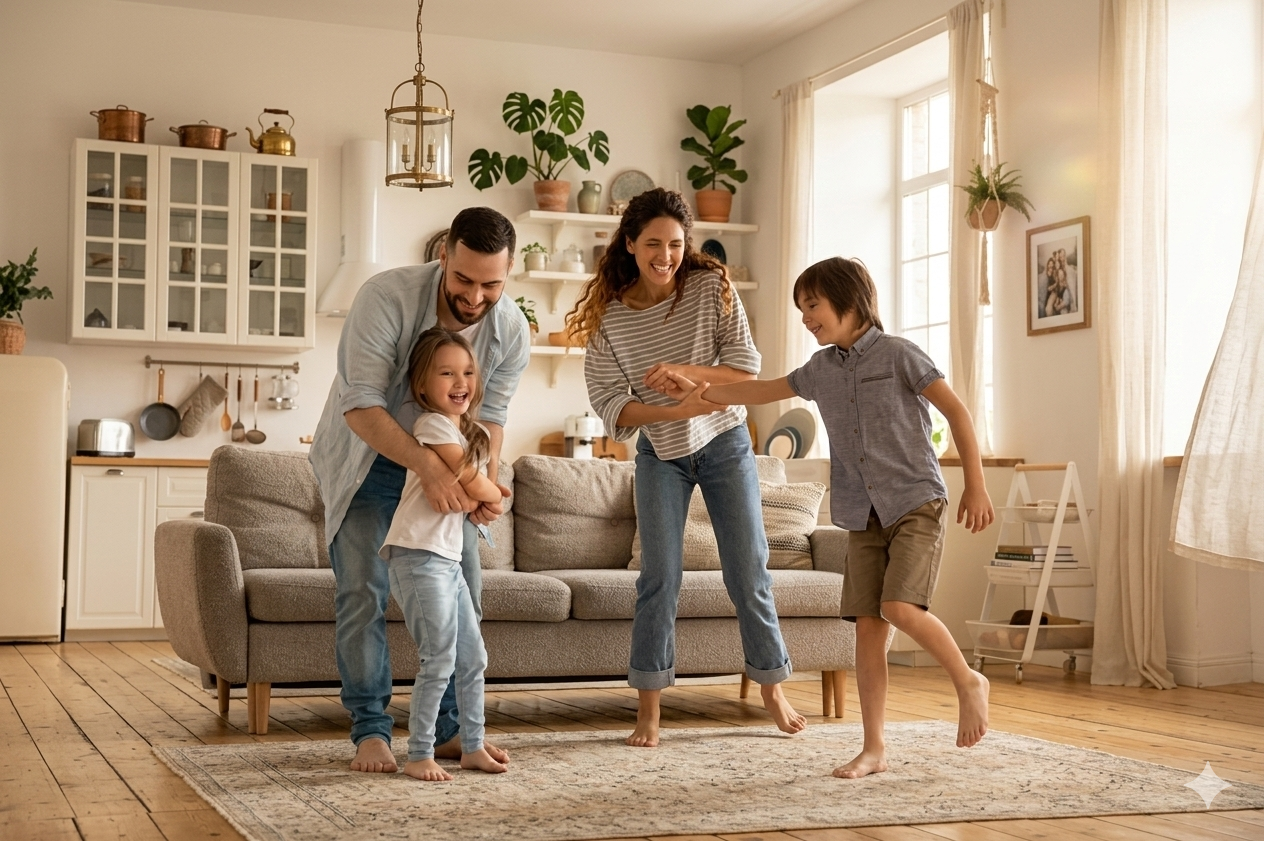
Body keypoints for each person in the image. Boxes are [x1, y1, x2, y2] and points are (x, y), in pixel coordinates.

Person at [665, 256, 994, 778]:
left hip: (915, 501)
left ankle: (967, 680)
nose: (805, 317)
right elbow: (763, 389)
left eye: (812, 305)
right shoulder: (820, 369)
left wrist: (976, 485)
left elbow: (957, 412)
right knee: (867, 628)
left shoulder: (900, 356)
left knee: (899, 608)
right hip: (862, 513)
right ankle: (874, 748)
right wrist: (701, 395)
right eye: (801, 308)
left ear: (850, 300)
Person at [565, 188, 807, 748]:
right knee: (659, 578)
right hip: (661, 452)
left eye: (676, 244)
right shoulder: (609, 318)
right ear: (629, 244)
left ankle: (772, 685)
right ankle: (649, 707)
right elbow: (611, 407)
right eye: (653, 243)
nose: (666, 255)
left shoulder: (710, 288)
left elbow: (745, 367)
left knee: (748, 571)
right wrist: (676, 407)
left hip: (724, 443)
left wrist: (684, 374)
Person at [310, 207, 530, 773]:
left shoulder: (509, 329)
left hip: (452, 464)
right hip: (369, 458)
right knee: (363, 593)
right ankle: (371, 731)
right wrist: (430, 468)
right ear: (444, 257)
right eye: (464, 280)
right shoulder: (386, 297)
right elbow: (360, 403)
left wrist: (482, 482)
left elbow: (494, 416)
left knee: (467, 598)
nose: (476, 296)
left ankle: (452, 732)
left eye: (492, 284)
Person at [380, 327, 507, 781]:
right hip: (417, 555)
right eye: (447, 372)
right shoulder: (431, 424)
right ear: (423, 385)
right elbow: (478, 485)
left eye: (468, 372)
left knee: (473, 658)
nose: (461, 382)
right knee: (441, 658)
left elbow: (479, 488)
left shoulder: (466, 432)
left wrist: (485, 493)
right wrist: (489, 493)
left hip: (446, 559)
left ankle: (472, 745)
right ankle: (419, 754)